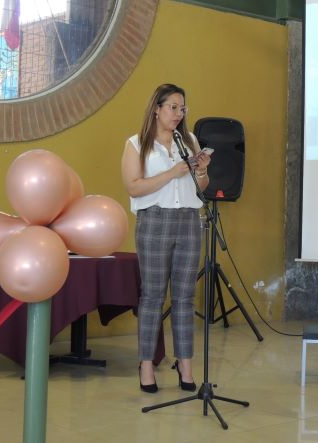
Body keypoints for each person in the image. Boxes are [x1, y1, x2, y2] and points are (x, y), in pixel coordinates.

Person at [121, 83, 211, 393]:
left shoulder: (189, 141)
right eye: (173, 107)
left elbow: (201, 186)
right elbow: (133, 187)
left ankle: (185, 365)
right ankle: (146, 365)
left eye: (182, 108)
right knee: (153, 297)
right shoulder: (137, 144)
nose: (178, 113)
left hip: (189, 221)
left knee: (185, 297)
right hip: (154, 222)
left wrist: (201, 171)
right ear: (157, 109)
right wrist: (173, 173)